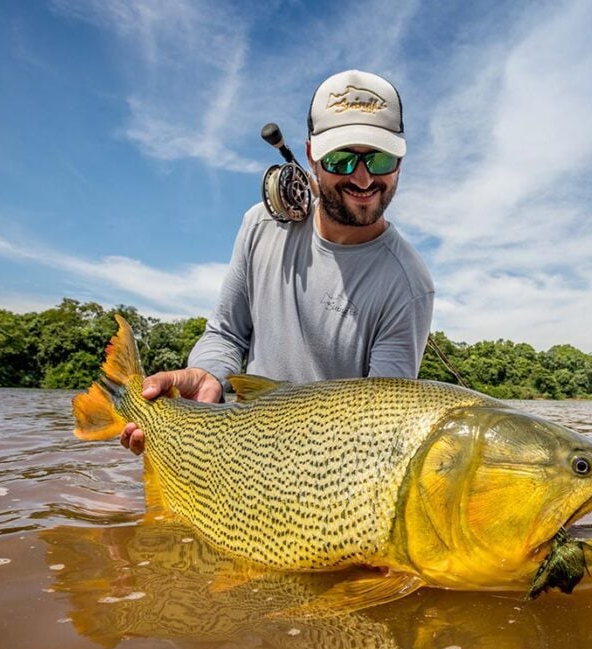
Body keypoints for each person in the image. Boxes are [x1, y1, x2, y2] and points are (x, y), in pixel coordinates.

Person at [120, 69, 434, 454]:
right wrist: (209, 376)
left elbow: (382, 426)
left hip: (326, 470)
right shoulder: (260, 224)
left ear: (401, 159)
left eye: (381, 159)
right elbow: (227, 334)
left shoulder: (410, 286)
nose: (365, 180)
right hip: (232, 450)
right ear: (311, 157)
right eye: (341, 160)